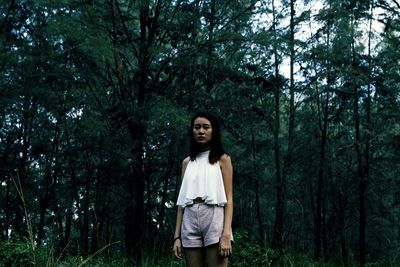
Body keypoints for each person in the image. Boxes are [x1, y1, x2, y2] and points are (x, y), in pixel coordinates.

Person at [173, 112, 233, 267]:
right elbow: (182, 203)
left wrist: (226, 234)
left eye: (206, 127)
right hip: (189, 218)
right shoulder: (186, 163)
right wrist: (176, 237)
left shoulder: (223, 159)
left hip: (214, 216)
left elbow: (229, 198)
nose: (201, 131)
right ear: (192, 131)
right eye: (197, 127)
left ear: (214, 131)